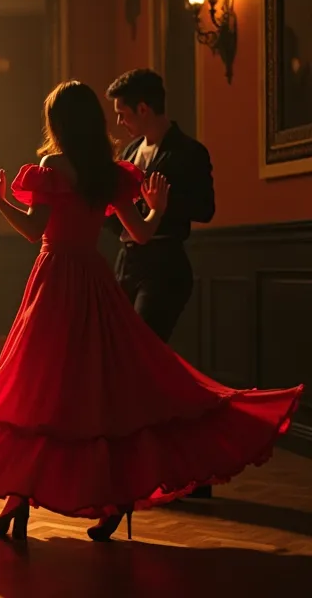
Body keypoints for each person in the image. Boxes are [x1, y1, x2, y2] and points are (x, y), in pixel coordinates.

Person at [0, 81, 302, 545]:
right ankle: (109, 503)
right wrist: (158, 210)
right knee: (101, 392)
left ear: (58, 124)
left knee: (35, 388)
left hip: (55, 282)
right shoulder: (110, 171)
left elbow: (31, 230)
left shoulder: (52, 167)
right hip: (96, 283)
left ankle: (20, 500)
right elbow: (141, 235)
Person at [105, 68, 218, 498]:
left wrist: (160, 206)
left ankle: (190, 466)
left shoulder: (188, 151)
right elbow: (121, 211)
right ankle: (172, 466)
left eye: (123, 113)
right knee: (134, 368)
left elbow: (205, 209)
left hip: (166, 267)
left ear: (144, 108)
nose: (120, 122)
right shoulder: (132, 151)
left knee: (145, 366)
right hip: (127, 264)